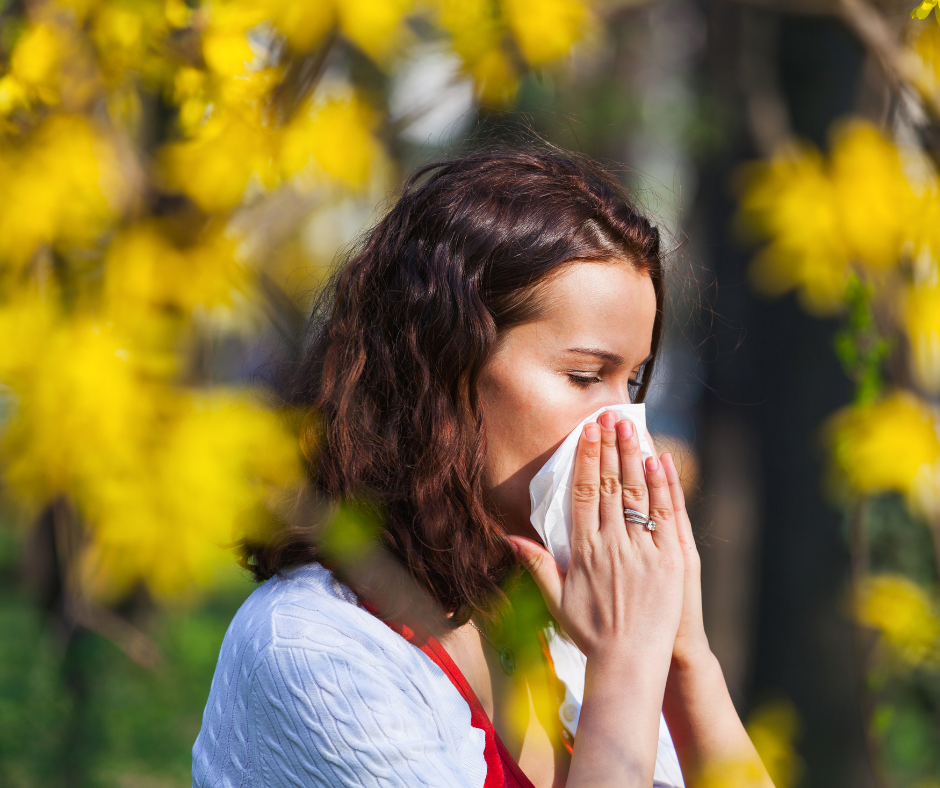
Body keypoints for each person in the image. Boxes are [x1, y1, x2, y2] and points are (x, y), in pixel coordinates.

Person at [191, 148, 774, 788]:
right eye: (585, 376)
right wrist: (628, 662)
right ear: (442, 369)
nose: (623, 430)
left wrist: (683, 654)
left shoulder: (561, 621)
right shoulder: (317, 651)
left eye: (631, 383)